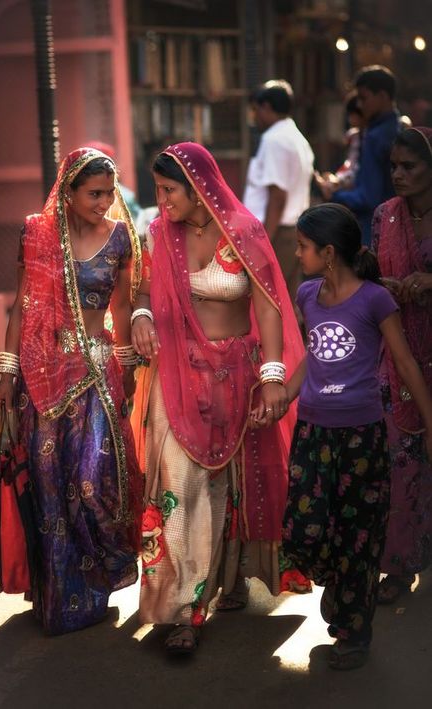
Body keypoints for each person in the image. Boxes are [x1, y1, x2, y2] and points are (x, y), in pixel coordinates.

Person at [131, 141, 305, 654]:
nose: (161, 200)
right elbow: (143, 291)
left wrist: (273, 376)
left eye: (169, 190)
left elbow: (270, 307)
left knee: (223, 487)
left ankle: (217, 584)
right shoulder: (160, 233)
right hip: (177, 375)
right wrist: (141, 317)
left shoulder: (243, 232)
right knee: (177, 487)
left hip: (236, 374)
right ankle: (182, 610)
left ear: (198, 187)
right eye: (157, 189)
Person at [0, 147, 143, 635]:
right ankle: (61, 600)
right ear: (69, 192)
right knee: (50, 485)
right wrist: (8, 375)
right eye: (94, 194)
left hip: (96, 373)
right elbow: (21, 305)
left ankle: (98, 579)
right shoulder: (36, 234)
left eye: (109, 193)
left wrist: (128, 373)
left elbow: (121, 309)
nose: (104, 202)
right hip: (43, 377)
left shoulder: (120, 237)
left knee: (95, 483)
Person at [282, 203, 432, 670]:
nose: (296, 254)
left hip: (362, 439)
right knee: (303, 533)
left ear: (328, 253)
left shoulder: (374, 300)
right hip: (312, 433)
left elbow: (405, 362)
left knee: (359, 540)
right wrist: (282, 396)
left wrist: (430, 424)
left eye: (303, 246)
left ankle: (352, 633)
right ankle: (340, 594)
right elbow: (312, 356)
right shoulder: (307, 294)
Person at [371, 127, 432, 604]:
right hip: (398, 351)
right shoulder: (384, 217)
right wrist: (388, 286)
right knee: (400, 459)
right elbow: (373, 275)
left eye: (408, 166)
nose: (398, 174)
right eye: (393, 165)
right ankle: (398, 565)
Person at [243, 80, 314, 302]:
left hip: (278, 232)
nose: (254, 117)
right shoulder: (296, 137)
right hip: (292, 229)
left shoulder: (274, 139)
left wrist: (266, 239)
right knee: (286, 300)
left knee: (267, 300)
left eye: (256, 110)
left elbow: (278, 196)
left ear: (266, 107)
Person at [330, 65, 401, 246]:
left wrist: (335, 194)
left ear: (383, 96)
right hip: (397, 226)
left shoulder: (375, 137)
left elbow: (369, 197)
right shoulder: (398, 128)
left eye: (364, 98)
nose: (360, 105)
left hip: (374, 230)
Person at [315, 92, 365, 195]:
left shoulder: (367, 138)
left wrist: (337, 181)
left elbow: (355, 170)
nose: (350, 119)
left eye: (351, 115)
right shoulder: (354, 136)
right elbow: (350, 164)